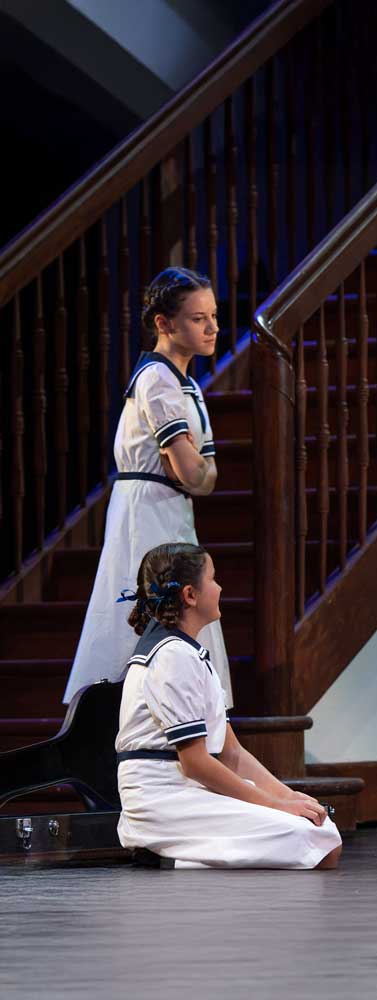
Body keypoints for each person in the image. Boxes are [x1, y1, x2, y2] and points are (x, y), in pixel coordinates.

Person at [116, 542, 342, 869]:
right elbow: (195, 762)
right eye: (213, 578)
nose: (220, 587)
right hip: (163, 797)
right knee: (318, 843)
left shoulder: (188, 653)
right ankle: (174, 854)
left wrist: (286, 796)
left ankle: (188, 854)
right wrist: (276, 806)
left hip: (183, 786)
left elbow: (231, 752)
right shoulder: (171, 656)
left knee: (319, 831)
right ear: (191, 595)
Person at [64, 267, 231, 706]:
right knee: (146, 610)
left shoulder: (188, 385)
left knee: (180, 603)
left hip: (172, 508)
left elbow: (204, 477)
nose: (213, 327)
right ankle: (137, 708)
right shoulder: (156, 378)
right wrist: (192, 468)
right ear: (164, 323)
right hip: (147, 510)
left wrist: (193, 468)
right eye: (199, 318)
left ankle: (180, 706)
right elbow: (194, 474)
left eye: (213, 315)